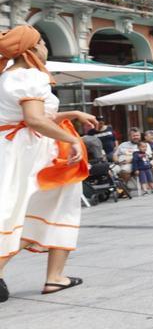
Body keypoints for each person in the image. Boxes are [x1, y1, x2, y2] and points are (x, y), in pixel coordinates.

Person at [1, 25, 97, 301]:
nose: (46, 47)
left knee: (18, 210)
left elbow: (30, 117)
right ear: (30, 50)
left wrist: (74, 113)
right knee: (58, 209)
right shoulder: (30, 75)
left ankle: (55, 276)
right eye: (42, 42)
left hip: (16, 151)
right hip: (39, 154)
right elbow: (34, 119)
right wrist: (74, 139)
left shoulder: (7, 76)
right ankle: (54, 277)